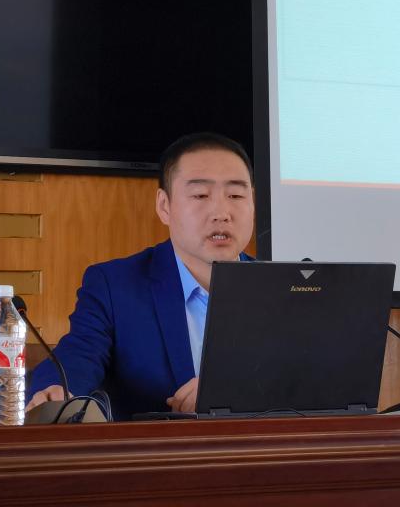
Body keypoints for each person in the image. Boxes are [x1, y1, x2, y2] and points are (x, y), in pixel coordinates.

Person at [25, 132, 255, 420]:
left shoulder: (283, 289)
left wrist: (230, 392)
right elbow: (78, 355)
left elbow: (303, 378)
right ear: (164, 206)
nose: (221, 213)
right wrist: (55, 391)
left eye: (236, 196)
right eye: (200, 195)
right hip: (157, 448)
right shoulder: (115, 286)